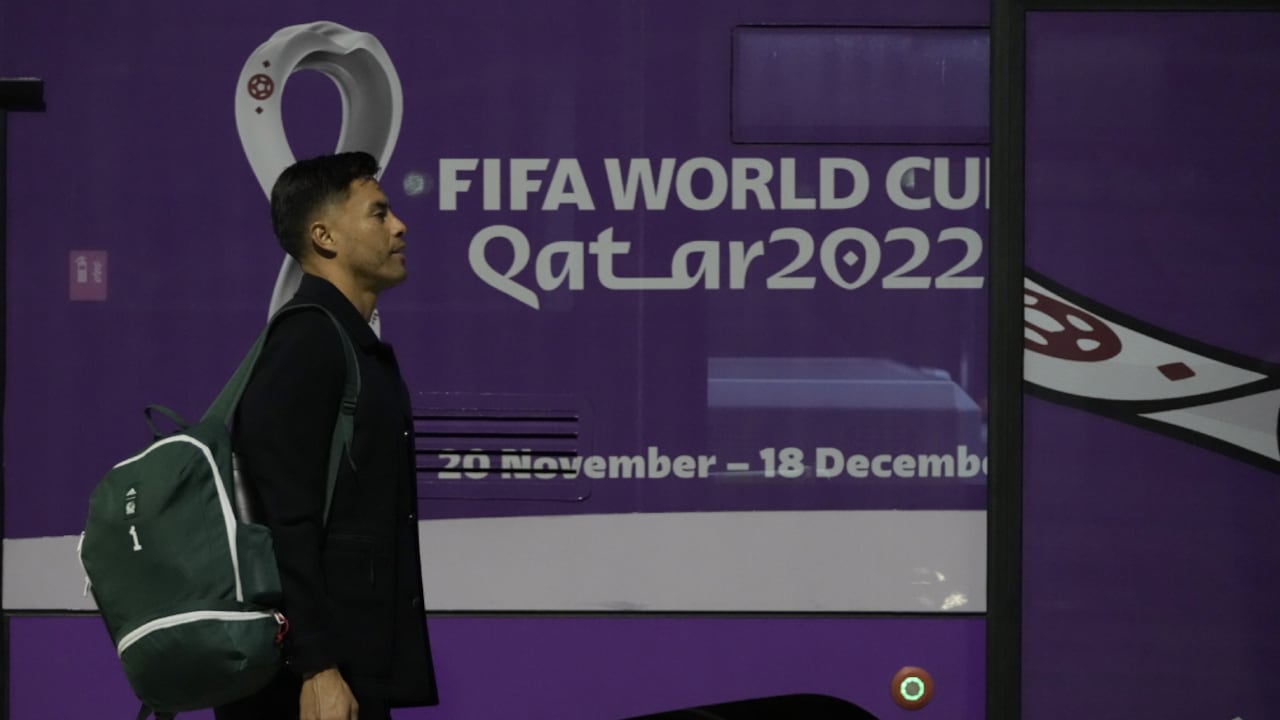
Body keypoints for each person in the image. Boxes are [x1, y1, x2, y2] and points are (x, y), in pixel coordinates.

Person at [214, 152, 438, 720]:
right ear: (324, 236)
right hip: (306, 681)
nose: (399, 226)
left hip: (351, 666)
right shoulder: (308, 343)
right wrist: (317, 669)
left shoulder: (345, 340)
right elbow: (284, 516)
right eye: (378, 214)